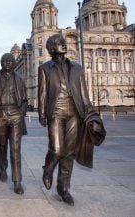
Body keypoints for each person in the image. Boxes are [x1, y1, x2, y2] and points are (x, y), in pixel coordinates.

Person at [38, 34, 98, 206]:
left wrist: (91, 114)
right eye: (59, 43)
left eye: (64, 42)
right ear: (51, 48)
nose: (64, 44)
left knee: (69, 153)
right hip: (55, 111)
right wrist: (42, 113)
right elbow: (42, 93)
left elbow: (84, 95)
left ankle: (63, 188)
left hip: (74, 113)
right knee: (56, 149)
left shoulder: (77, 68)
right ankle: (48, 169)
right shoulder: (45, 68)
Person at [0, 53, 27, 194]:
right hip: (0, 114)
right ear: (1, 63)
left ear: (14, 63)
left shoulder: (20, 80)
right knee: (2, 145)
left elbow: (24, 101)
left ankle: (17, 181)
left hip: (15, 114)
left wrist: (21, 114)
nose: (8, 62)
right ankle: (3, 167)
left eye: (10, 60)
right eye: (5, 60)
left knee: (15, 148)